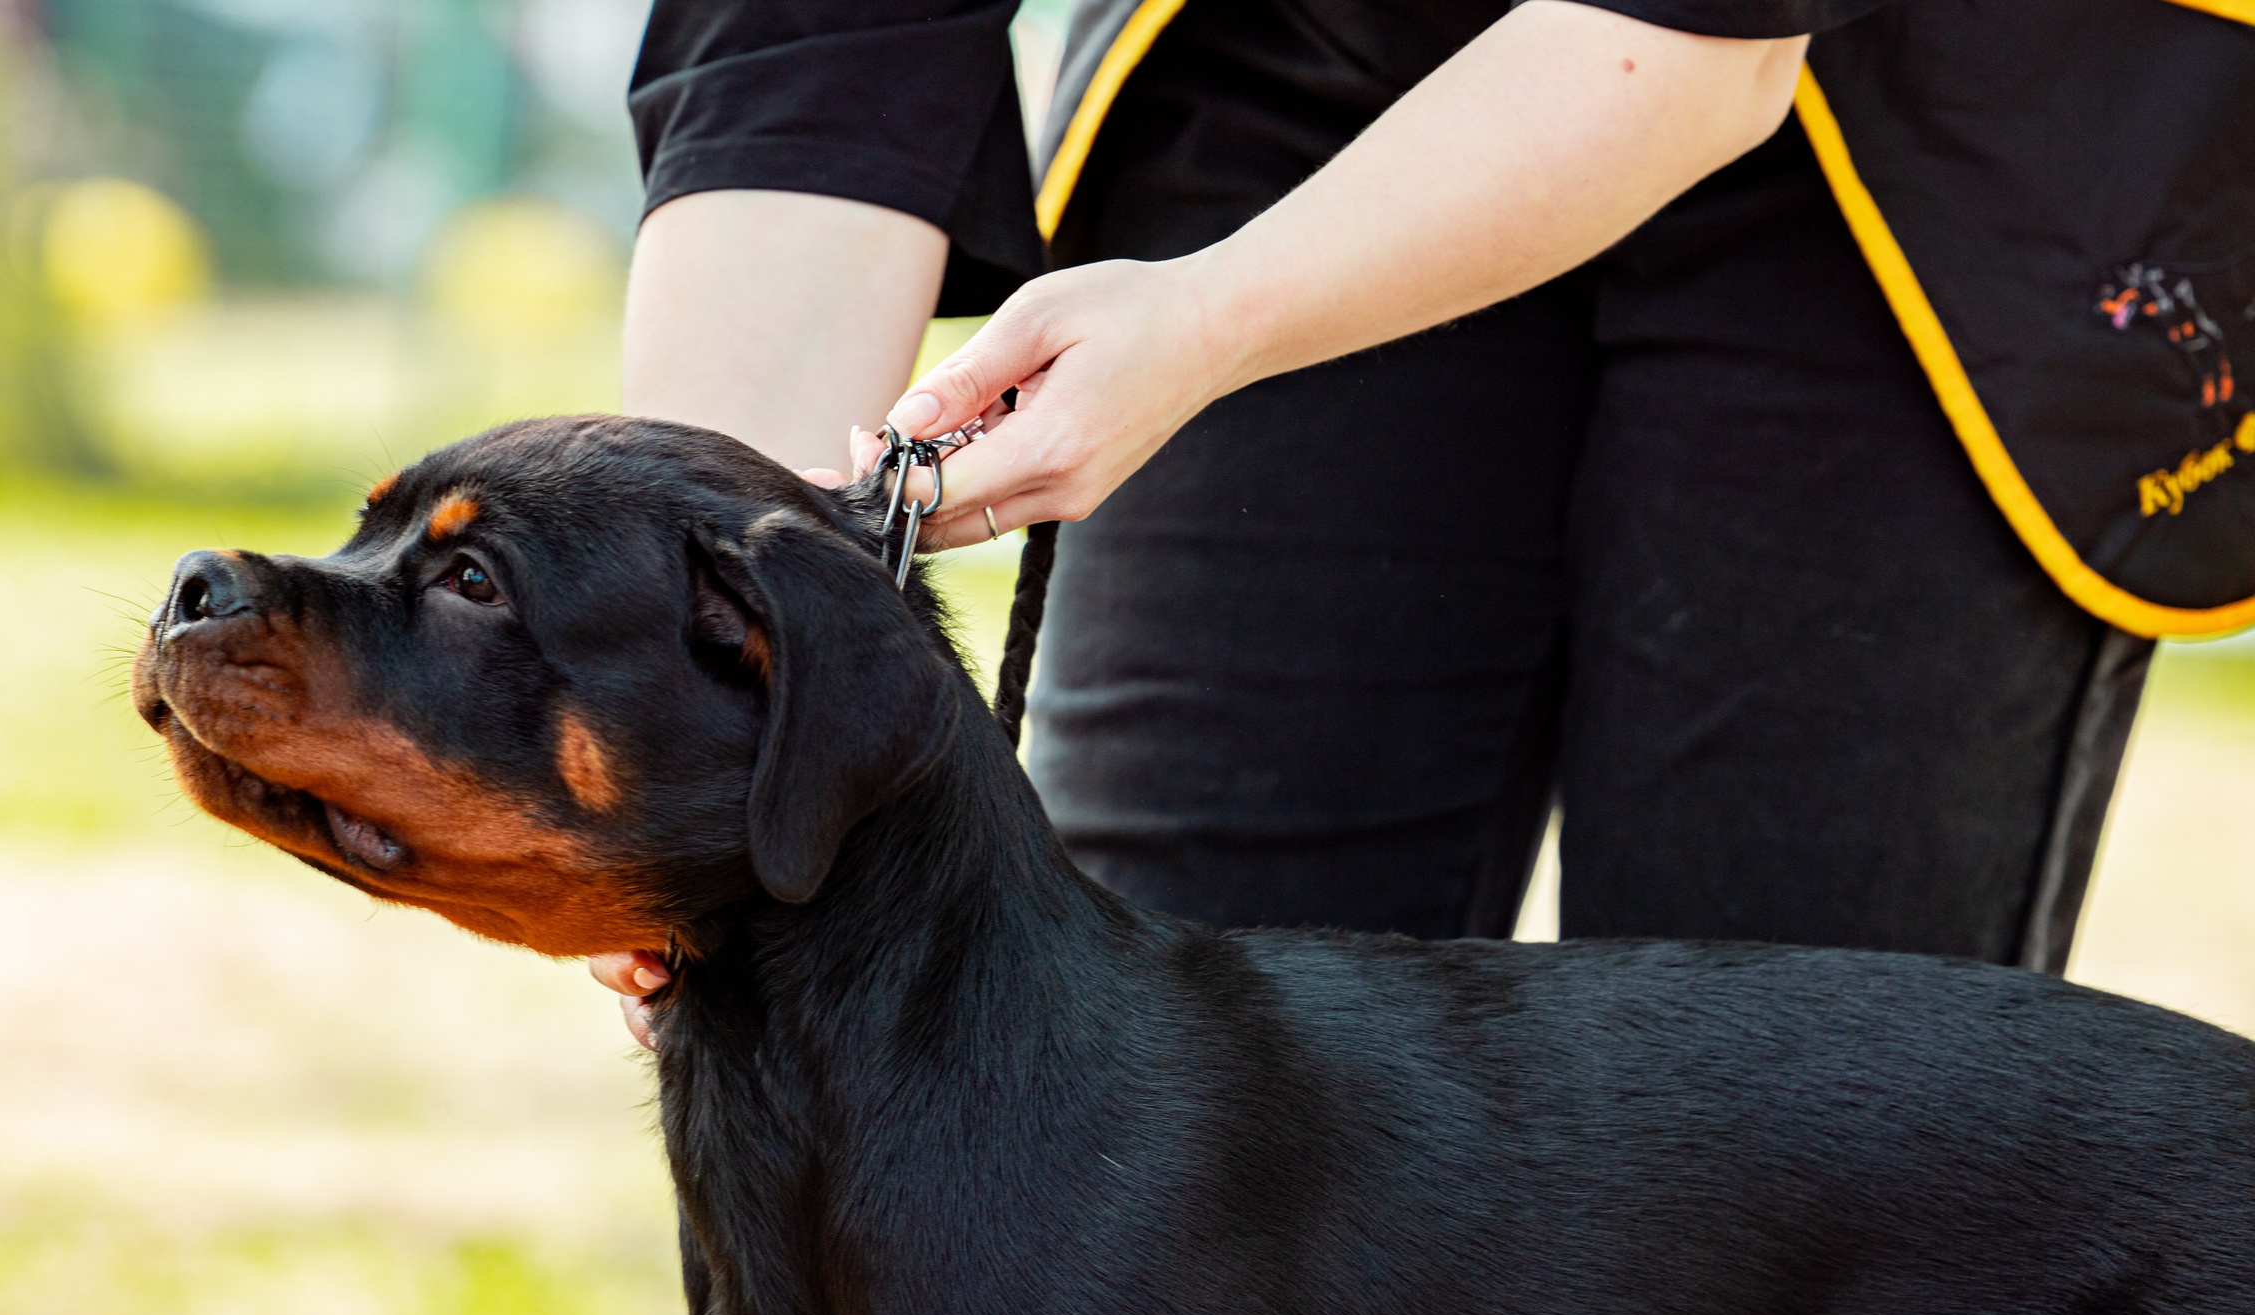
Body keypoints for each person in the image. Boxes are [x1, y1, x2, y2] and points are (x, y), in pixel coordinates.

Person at [593, 0, 2255, 1043]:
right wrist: (687, 651)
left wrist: (1219, 323)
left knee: (1794, 1185)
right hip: (1269, 67)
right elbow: (813, 38)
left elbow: (1698, 42)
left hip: (1937, 129)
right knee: (1135, 1110)